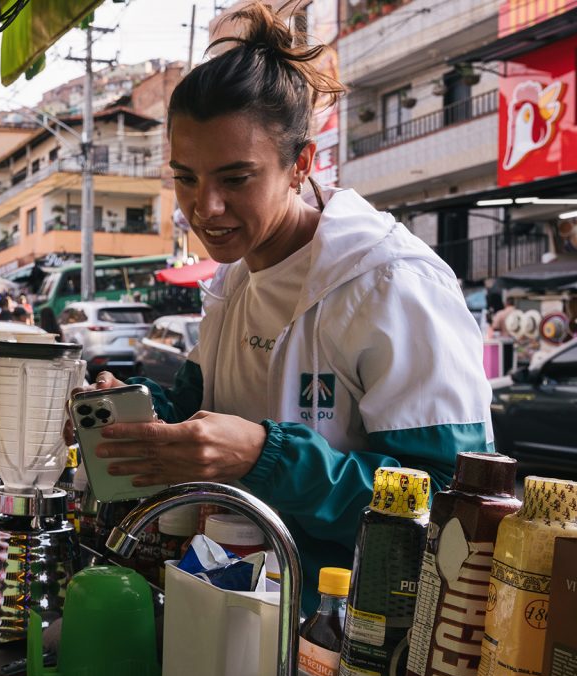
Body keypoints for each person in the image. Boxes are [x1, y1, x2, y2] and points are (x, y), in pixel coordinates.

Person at [86, 4, 492, 613]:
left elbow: (451, 506)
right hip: (232, 604)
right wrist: (133, 415)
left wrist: (265, 455)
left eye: (236, 178)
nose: (206, 207)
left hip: (352, 637)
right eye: (187, 178)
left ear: (301, 163)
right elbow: (203, 415)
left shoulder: (389, 284)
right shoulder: (232, 282)